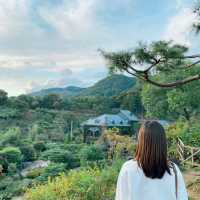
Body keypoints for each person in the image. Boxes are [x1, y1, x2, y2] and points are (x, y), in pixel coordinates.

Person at [115, 120, 188, 200]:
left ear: (141, 142)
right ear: (163, 142)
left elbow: (121, 197)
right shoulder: (173, 170)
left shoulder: (128, 169)